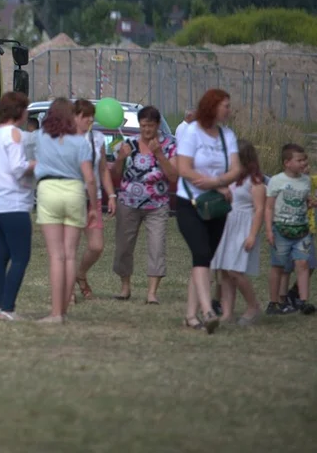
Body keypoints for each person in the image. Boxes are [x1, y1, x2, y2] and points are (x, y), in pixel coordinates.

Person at [175, 88, 241, 334]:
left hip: (216, 205)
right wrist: (216, 183)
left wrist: (218, 183)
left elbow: (235, 168)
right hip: (190, 204)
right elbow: (184, 168)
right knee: (201, 253)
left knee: (202, 260)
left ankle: (191, 316)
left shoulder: (227, 136)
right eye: (225, 105)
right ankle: (208, 312)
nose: (229, 110)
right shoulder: (192, 133)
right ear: (212, 106)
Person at [33, 97, 97, 324]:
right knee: (70, 254)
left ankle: (55, 312)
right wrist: (94, 208)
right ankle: (65, 310)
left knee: (55, 255)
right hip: (74, 192)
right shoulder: (80, 142)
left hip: (48, 190)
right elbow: (89, 178)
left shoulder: (40, 137)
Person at [111, 106, 177, 304]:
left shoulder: (169, 146)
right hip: (128, 202)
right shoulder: (128, 144)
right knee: (124, 246)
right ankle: (125, 287)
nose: (146, 130)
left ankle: (152, 293)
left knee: (156, 246)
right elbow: (115, 175)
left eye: (150, 126)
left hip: (157, 204)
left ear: (157, 125)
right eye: (142, 126)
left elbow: (173, 175)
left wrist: (159, 154)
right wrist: (120, 159)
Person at [0, 92, 36, 321]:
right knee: (20, 257)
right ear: (19, 112)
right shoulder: (15, 134)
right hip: (12, 202)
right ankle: (8, 307)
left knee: (0, 256)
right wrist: (37, 163)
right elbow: (17, 167)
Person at [209, 139, 264, 325]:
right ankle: (227, 313)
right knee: (224, 271)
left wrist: (252, 235)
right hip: (227, 226)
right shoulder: (230, 178)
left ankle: (253, 306)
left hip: (243, 227)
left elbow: (259, 210)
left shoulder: (255, 183)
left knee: (235, 270)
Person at [71, 99, 117, 302]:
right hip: (72, 197)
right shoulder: (65, 138)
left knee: (96, 246)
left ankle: (79, 274)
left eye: (92, 115)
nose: (90, 119)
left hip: (93, 199)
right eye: (85, 116)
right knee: (69, 247)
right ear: (74, 117)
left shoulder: (97, 139)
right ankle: (68, 290)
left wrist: (112, 195)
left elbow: (103, 170)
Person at [264, 143, 316, 316]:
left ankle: (303, 301)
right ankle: (274, 302)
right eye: (299, 160)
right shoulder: (276, 181)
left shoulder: (306, 180)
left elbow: (305, 199)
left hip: (302, 230)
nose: (303, 163)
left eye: (304, 160)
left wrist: (311, 202)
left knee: (303, 263)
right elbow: (269, 207)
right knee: (279, 266)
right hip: (281, 229)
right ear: (287, 162)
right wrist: (270, 230)